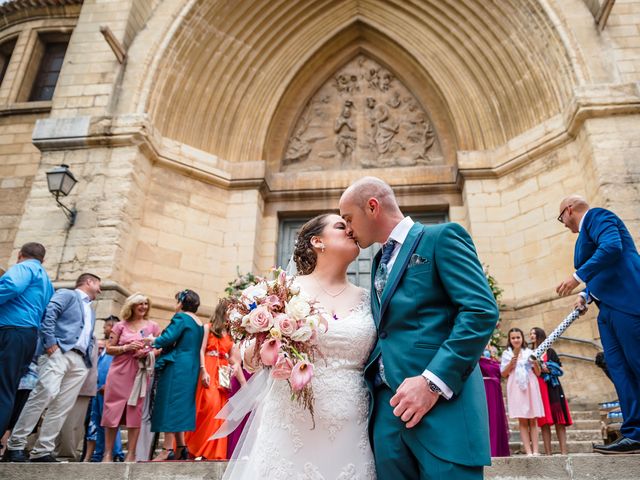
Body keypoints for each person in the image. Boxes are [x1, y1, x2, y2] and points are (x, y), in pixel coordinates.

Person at [339, 177, 499, 478]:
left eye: (348, 218)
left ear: (372, 207)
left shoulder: (442, 237)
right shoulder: (377, 262)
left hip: (442, 412)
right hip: (387, 416)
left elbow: (480, 311)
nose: (347, 229)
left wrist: (431, 383)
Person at [221, 213, 377, 479]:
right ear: (318, 241)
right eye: (341, 226)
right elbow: (249, 358)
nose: (350, 230)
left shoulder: (370, 298)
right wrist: (268, 341)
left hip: (354, 420)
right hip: (291, 418)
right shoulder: (280, 292)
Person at [556, 195, 640, 454]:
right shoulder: (584, 234)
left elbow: (612, 248)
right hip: (606, 310)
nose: (563, 224)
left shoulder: (598, 216)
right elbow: (603, 269)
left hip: (628, 302)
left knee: (636, 363)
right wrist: (585, 294)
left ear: (569, 210)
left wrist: (576, 278)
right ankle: (635, 432)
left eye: (561, 218)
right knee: (619, 370)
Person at [4, 273, 101, 462]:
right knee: (44, 394)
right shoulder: (67, 294)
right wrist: (50, 343)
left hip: (80, 361)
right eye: (98, 285)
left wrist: (86, 359)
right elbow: (49, 314)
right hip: (59, 352)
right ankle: (15, 445)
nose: (100, 289)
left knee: (62, 406)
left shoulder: (91, 308)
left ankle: (42, 450)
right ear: (89, 282)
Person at [0, 242, 54, 444]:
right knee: (8, 387)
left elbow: (12, 286)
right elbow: (47, 311)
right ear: (44, 260)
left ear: (19, 255)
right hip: (28, 335)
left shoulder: (24, 267)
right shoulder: (46, 280)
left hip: (10, 330)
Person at [101, 293, 160, 462]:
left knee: (135, 410)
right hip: (119, 371)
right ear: (131, 306)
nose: (143, 307)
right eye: (139, 304)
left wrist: (148, 353)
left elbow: (161, 346)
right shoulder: (120, 326)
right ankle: (107, 453)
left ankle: (131, 453)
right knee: (112, 409)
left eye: (146, 304)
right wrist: (126, 347)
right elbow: (109, 348)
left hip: (140, 372)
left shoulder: (153, 326)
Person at [150, 289, 204, 461]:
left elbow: (167, 338)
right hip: (191, 366)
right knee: (180, 404)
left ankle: (167, 448)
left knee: (169, 403)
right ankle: (181, 446)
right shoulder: (198, 322)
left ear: (181, 303)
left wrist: (152, 341)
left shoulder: (181, 318)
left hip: (177, 365)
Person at [185, 298, 235, 460]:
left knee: (220, 410)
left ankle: (212, 452)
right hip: (209, 367)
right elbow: (200, 350)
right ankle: (195, 446)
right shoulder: (208, 328)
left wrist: (234, 367)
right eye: (231, 311)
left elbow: (234, 357)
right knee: (208, 406)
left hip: (223, 371)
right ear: (224, 311)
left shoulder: (231, 333)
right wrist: (203, 370)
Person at [500, 328, 544, 456]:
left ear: (522, 338)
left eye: (518, 337)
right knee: (523, 419)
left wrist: (536, 363)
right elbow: (503, 373)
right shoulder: (506, 354)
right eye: (513, 338)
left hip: (530, 383)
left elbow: (538, 373)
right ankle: (528, 451)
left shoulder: (530, 352)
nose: (516, 340)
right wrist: (511, 364)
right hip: (516, 385)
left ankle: (536, 450)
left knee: (533, 419)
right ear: (510, 340)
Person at [530, 327, 572, 455]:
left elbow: (558, 369)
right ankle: (548, 453)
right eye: (530, 333)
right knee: (544, 422)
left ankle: (563, 452)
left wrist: (545, 367)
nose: (531, 335)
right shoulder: (530, 352)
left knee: (559, 420)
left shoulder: (550, 351)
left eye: (534, 333)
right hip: (539, 388)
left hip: (553, 387)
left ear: (540, 335)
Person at [55, 336, 99, 460]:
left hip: (83, 387)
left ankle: (66, 455)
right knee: (60, 421)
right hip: (60, 384)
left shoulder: (91, 337)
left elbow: (92, 364)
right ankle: (52, 452)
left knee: (73, 425)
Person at [87, 316, 124, 461]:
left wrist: (109, 384)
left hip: (108, 388)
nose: (104, 329)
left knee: (110, 421)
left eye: (106, 326)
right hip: (97, 389)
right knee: (98, 422)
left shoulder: (115, 347)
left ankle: (116, 453)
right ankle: (99, 453)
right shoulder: (106, 346)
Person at [479, 345, 510, 457]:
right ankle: (487, 450)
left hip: (495, 389)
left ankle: (496, 450)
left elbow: (501, 371)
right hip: (483, 388)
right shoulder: (477, 350)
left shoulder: (493, 351)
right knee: (486, 418)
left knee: (495, 417)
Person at [225, 347, 250, 458]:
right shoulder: (238, 337)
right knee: (238, 417)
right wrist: (243, 383)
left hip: (255, 377)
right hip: (242, 379)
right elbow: (235, 360)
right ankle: (235, 452)